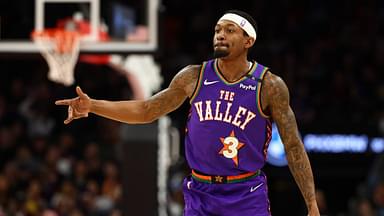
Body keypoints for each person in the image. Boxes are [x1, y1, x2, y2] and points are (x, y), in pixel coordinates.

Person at [55, 10, 320, 216]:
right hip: (200, 192)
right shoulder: (193, 76)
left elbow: (293, 146)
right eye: (217, 30)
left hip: (246, 193)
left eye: (230, 30)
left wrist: (311, 203)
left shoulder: (269, 86)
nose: (220, 35)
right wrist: (93, 106)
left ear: (248, 40)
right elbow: (147, 110)